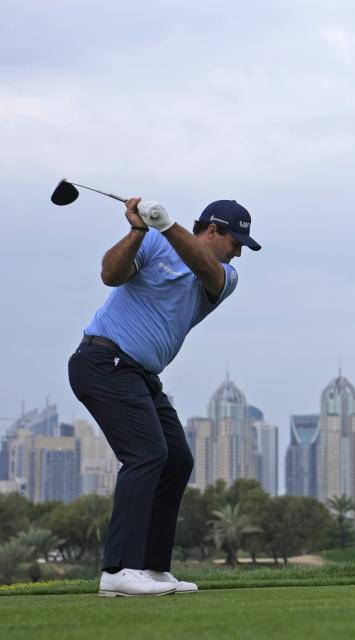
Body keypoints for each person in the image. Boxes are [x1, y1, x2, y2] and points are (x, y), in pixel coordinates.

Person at [68, 196, 261, 597]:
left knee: (176, 460)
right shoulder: (153, 242)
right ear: (212, 230)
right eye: (236, 241)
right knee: (146, 454)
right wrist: (140, 229)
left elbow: (206, 268)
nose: (239, 251)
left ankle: (153, 569)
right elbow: (109, 274)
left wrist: (166, 224)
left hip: (139, 375)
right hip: (102, 361)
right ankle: (118, 571)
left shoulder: (224, 275)